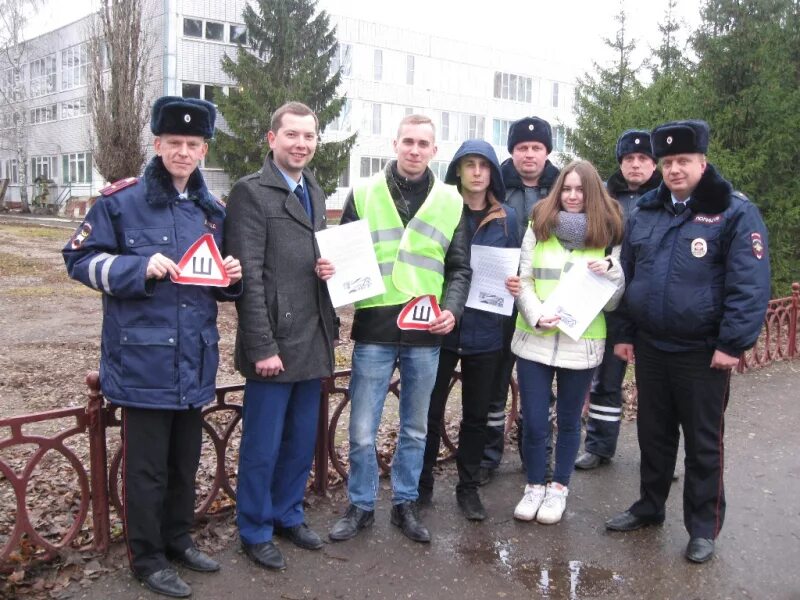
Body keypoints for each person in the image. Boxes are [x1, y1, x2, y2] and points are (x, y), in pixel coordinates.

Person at [63, 96, 242, 598]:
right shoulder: (120, 203)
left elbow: (214, 281)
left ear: (203, 149)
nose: (183, 152)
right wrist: (134, 268)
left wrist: (231, 278)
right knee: (145, 471)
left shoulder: (210, 212)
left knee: (184, 461)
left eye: (193, 144)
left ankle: (179, 539)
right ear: (157, 144)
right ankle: (147, 557)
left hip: (194, 359)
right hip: (142, 361)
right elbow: (78, 260)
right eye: (174, 143)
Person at [605, 120, 770, 564]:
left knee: (702, 443)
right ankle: (649, 506)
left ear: (702, 162)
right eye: (668, 162)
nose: (674, 169)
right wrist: (624, 333)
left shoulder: (734, 212)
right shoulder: (647, 210)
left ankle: (702, 526)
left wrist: (732, 343)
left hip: (703, 353)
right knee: (653, 435)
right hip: (653, 347)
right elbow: (628, 276)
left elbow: (748, 285)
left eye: (683, 161)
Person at [326, 114, 471, 544]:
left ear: (434, 151)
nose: (414, 149)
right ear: (395, 143)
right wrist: (332, 270)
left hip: (426, 331)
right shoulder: (365, 191)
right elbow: (344, 252)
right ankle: (361, 505)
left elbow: (460, 267)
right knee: (362, 427)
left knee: (416, 426)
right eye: (408, 141)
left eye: (423, 143)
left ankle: (404, 504)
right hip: (374, 326)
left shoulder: (450, 200)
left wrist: (453, 310)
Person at [224, 102, 338, 571]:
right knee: (262, 446)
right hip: (274, 341)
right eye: (292, 135)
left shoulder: (311, 185)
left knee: (299, 441)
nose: (301, 144)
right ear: (272, 139)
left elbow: (314, 251)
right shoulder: (250, 193)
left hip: (312, 334)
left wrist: (327, 266)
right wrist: (262, 347)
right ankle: (254, 528)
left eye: (308, 137)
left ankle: (288, 513)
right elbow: (246, 277)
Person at [511, 160, 625, 525]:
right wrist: (534, 313)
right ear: (558, 189)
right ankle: (534, 486)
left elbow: (613, 301)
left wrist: (614, 273)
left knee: (570, 421)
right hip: (535, 337)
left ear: (591, 194)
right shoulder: (538, 224)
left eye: (580, 190)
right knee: (535, 421)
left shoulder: (609, 231)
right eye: (567, 188)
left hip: (583, 341)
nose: (573, 196)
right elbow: (523, 279)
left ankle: (559, 488)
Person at [418, 140, 521, 521]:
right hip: (442, 326)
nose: (477, 172)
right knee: (430, 412)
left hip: (488, 330)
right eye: (469, 165)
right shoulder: (441, 209)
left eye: (484, 165)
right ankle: (422, 483)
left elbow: (517, 266)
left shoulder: (508, 217)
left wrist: (516, 283)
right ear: (457, 171)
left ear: (493, 172)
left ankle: (468, 487)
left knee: (477, 415)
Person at [575, 129, 662, 470]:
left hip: (654, 304)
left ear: (653, 164)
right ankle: (599, 446)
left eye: (643, 159)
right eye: (629, 159)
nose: (636, 165)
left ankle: (659, 457)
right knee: (606, 381)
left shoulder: (667, 197)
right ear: (621, 163)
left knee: (656, 389)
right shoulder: (604, 198)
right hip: (611, 303)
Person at [481, 116, 560, 484]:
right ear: (511, 151)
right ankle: (487, 453)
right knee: (494, 383)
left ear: (547, 151)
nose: (529, 154)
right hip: (497, 299)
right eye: (522, 148)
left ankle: (536, 455)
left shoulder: (563, 189)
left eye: (537, 148)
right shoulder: (494, 186)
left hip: (544, 301)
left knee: (539, 384)